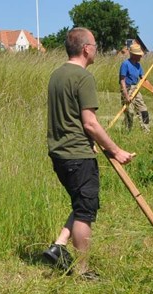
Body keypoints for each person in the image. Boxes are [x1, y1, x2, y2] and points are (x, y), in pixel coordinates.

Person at [42, 28, 135, 278]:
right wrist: (116, 150)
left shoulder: (56, 75)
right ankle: (82, 271)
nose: (96, 49)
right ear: (85, 49)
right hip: (77, 155)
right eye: (94, 45)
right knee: (85, 212)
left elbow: (68, 117)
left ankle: (58, 246)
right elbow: (90, 123)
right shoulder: (83, 78)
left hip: (60, 153)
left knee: (80, 202)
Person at [119, 43, 153, 133]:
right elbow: (122, 81)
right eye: (139, 55)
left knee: (143, 110)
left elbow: (144, 80)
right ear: (133, 55)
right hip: (127, 88)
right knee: (129, 112)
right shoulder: (125, 64)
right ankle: (127, 132)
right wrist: (126, 95)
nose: (140, 57)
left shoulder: (138, 66)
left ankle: (146, 131)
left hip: (136, 89)